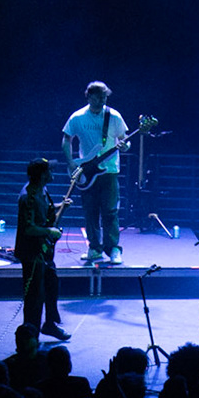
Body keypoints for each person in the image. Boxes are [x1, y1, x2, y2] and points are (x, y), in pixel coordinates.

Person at [62, 80, 129, 265]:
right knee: (90, 211)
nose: (102, 101)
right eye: (99, 97)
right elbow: (66, 139)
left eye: (104, 97)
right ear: (89, 96)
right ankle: (94, 248)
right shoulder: (77, 117)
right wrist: (71, 163)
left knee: (110, 211)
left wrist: (125, 146)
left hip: (109, 170)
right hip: (87, 171)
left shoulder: (113, 116)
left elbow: (124, 139)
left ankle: (113, 248)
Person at [15, 159, 71, 340]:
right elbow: (29, 228)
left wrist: (61, 206)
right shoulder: (28, 197)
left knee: (51, 286)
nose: (52, 173)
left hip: (44, 251)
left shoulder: (43, 190)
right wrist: (49, 231)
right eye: (49, 171)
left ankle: (49, 324)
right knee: (34, 297)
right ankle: (31, 338)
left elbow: (46, 211)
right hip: (32, 254)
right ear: (41, 175)